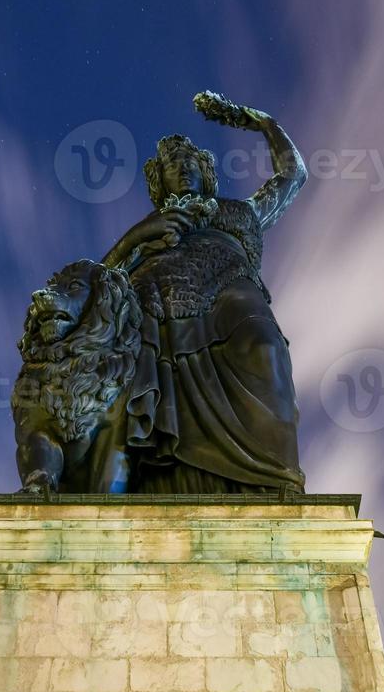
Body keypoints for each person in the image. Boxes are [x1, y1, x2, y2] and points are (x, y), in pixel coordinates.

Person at [102, 92, 307, 494]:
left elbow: (293, 174)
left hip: (229, 290)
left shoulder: (241, 213)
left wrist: (262, 122)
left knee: (264, 346)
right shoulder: (150, 227)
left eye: (188, 161)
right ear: (159, 181)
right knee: (119, 374)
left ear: (206, 171)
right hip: (152, 308)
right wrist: (136, 238)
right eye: (171, 165)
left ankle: (276, 482)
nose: (181, 169)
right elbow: (95, 283)